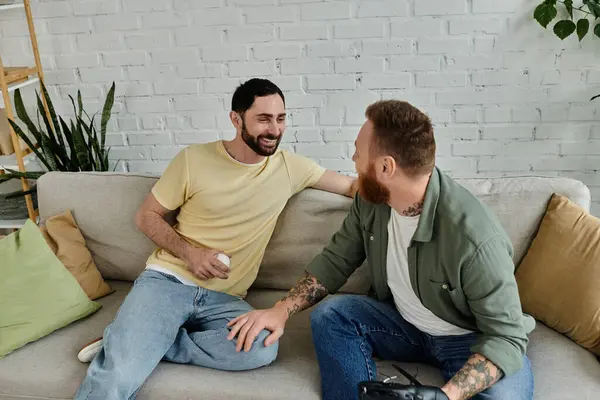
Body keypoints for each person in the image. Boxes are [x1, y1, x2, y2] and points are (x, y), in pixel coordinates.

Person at [226, 100, 535, 400]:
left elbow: (506, 337)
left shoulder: (475, 239)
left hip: (467, 341)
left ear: (386, 167)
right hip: (404, 326)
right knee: (332, 315)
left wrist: (445, 395)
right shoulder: (372, 201)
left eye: (359, 154)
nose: (353, 160)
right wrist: (280, 311)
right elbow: (337, 260)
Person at [74, 78, 357, 399]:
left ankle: (131, 339)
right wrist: (191, 254)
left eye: (281, 118)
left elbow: (350, 186)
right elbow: (147, 217)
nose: (275, 129)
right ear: (236, 120)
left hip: (225, 298)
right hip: (168, 282)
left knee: (262, 348)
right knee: (119, 376)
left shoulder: (291, 168)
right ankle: (132, 343)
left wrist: (401, 185)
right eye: (263, 119)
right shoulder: (193, 160)